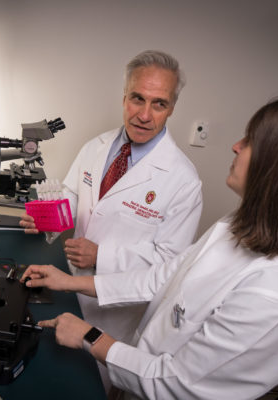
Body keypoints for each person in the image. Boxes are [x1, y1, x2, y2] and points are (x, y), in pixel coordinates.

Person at [20, 98, 278, 400]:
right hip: (139, 369)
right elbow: (164, 278)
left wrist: (91, 338)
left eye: (251, 141)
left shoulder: (276, 294)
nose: (236, 146)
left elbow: (177, 383)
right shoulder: (237, 227)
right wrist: (68, 282)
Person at [20, 51, 202, 361]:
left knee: (91, 383)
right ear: (124, 97)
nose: (144, 115)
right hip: (66, 284)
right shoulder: (97, 146)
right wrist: (50, 216)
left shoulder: (184, 181)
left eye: (159, 103)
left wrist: (101, 255)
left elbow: (169, 265)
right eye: (137, 98)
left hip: (114, 313)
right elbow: (72, 195)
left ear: (172, 108)